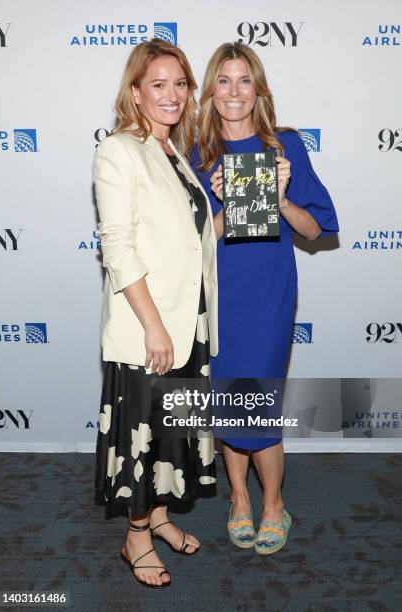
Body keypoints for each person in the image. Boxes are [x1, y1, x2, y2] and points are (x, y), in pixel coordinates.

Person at [191, 42, 338, 555]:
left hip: (269, 294)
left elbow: (318, 227)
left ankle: (274, 503)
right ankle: (239, 499)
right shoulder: (195, 154)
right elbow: (191, 244)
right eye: (224, 81)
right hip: (220, 294)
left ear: (259, 89)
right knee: (230, 401)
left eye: (245, 80)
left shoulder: (286, 146)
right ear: (210, 91)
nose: (234, 91)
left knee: (259, 403)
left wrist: (277, 200)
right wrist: (228, 205)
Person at [93, 39, 218, 588]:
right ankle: (135, 537)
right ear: (136, 93)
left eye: (180, 84)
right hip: (152, 326)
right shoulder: (119, 150)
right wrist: (154, 325)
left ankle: (162, 518)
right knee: (145, 433)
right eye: (158, 85)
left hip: (189, 321)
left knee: (174, 432)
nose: (171, 95)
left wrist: (225, 202)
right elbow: (118, 247)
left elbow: (193, 245)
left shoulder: (178, 156)